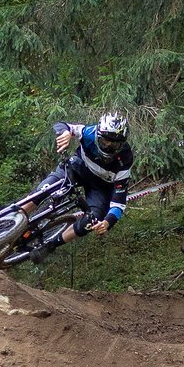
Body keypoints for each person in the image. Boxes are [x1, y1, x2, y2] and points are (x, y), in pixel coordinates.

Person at [18, 112, 133, 263]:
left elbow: (119, 202)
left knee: (93, 219)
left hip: (100, 187)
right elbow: (63, 125)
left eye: (115, 144)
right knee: (44, 190)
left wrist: (107, 222)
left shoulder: (125, 160)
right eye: (105, 141)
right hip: (77, 168)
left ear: (122, 143)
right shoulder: (89, 132)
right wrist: (65, 132)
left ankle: (50, 245)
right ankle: (13, 217)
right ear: (98, 135)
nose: (109, 146)